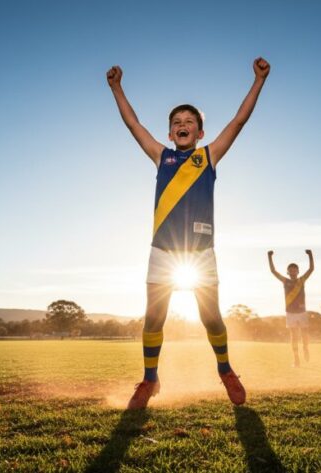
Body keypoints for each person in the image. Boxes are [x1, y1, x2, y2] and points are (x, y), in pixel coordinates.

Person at [107, 57, 270, 409]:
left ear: (200, 133)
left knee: (211, 317)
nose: (183, 125)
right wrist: (117, 88)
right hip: (162, 252)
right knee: (154, 318)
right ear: (170, 133)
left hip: (200, 255)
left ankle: (225, 370)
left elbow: (238, 121)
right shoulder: (161, 156)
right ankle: (150, 380)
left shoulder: (208, 156)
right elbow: (133, 123)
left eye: (189, 122)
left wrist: (258, 81)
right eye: (177, 123)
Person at [268, 249, 315, 367]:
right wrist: (270, 256)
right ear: (288, 272)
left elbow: (311, 269)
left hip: (302, 312)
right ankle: (296, 358)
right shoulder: (285, 281)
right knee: (294, 336)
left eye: (295, 270)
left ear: (298, 271)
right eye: (291, 270)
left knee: (304, 334)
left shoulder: (301, 280)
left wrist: (310, 255)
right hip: (290, 313)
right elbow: (273, 271)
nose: (293, 271)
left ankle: (305, 348)